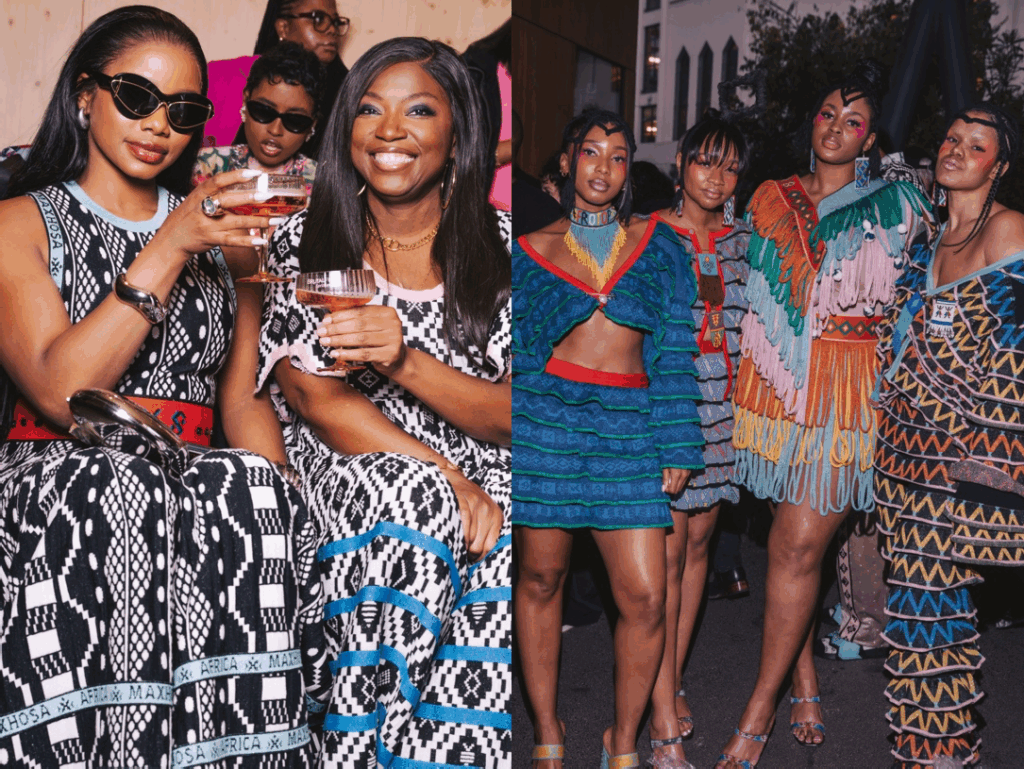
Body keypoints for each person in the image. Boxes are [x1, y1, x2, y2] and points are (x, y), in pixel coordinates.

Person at [0, 6, 328, 764]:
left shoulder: (229, 239)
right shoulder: (20, 222)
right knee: (120, 486)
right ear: (85, 94)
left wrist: (283, 488)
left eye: (183, 111)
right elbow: (61, 391)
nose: (159, 125)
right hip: (61, 469)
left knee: (254, 489)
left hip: (190, 472)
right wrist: (170, 243)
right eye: (136, 97)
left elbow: (240, 393)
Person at [251, 38, 512, 766]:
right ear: (346, 130)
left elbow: (516, 414)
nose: (389, 130)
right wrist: (446, 474)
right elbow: (313, 396)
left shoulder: (501, 246)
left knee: (511, 519)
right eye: (369, 110)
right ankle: (358, 748)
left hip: (483, 460)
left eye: (418, 111)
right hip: (350, 461)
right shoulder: (304, 237)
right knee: (412, 500)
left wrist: (403, 359)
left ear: (458, 132)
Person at [718, 60, 931, 768]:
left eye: (854, 120)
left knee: (795, 548)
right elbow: (739, 284)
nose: (837, 128)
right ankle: (803, 676)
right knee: (790, 544)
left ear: (871, 138)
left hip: (846, 390)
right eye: (828, 114)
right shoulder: (769, 196)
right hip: (771, 393)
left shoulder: (898, 203)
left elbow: (926, 292)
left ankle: (759, 710)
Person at [513, 108, 705, 769]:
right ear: (568, 161)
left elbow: (674, 349)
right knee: (541, 578)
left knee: (647, 597)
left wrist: (679, 442)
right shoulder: (527, 250)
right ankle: (547, 727)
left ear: (629, 170)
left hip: (629, 429)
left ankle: (622, 740)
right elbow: (515, 357)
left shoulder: (659, 246)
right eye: (591, 151)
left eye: (619, 156)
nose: (604, 166)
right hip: (547, 427)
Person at [874, 103, 1024, 768]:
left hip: (956, 459)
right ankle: (927, 748)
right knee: (917, 614)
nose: (957, 149)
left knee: (933, 612)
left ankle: (938, 752)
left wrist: (989, 479)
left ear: (1000, 166)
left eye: (977, 145)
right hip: (901, 455)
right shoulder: (928, 240)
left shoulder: (1009, 230)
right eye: (952, 138)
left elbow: (1016, 358)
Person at [646, 111, 751, 766]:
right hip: (669, 409)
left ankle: (673, 677)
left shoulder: (745, 242)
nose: (717, 177)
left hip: (725, 416)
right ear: (681, 163)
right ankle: (660, 710)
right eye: (707, 161)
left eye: (731, 166)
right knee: (663, 562)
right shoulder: (649, 234)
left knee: (698, 552)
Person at [204, 0, 349, 154]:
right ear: (283, 28)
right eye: (318, 18)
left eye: (336, 22)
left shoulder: (350, 95)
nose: (332, 30)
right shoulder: (220, 76)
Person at [193, 41, 320, 195]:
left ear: (312, 125)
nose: (275, 130)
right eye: (264, 112)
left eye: (294, 121)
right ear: (245, 101)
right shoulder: (204, 165)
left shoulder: (324, 183)